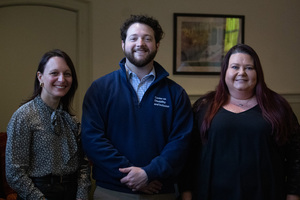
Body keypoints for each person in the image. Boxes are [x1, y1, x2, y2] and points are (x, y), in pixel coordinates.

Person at [81, 14, 193, 200]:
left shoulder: (176, 94)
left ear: (157, 45)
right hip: (112, 191)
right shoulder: (100, 89)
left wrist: (149, 173)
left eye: (147, 38)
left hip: (160, 191)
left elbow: (180, 144)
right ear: (123, 44)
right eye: (133, 38)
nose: (140, 43)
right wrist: (133, 177)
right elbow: (92, 139)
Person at [179, 44, 300, 200]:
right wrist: (186, 192)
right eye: (235, 67)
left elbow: (296, 155)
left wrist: (293, 194)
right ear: (225, 72)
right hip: (211, 193)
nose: (242, 73)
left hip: (266, 193)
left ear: (258, 73)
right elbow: (189, 154)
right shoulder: (204, 106)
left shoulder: (277, 106)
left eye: (249, 68)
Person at [5, 49, 91, 200]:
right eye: (54, 73)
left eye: (67, 74)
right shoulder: (24, 116)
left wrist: (81, 197)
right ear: (40, 77)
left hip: (71, 192)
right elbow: (14, 173)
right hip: (37, 194)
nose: (62, 79)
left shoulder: (72, 121)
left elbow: (83, 166)